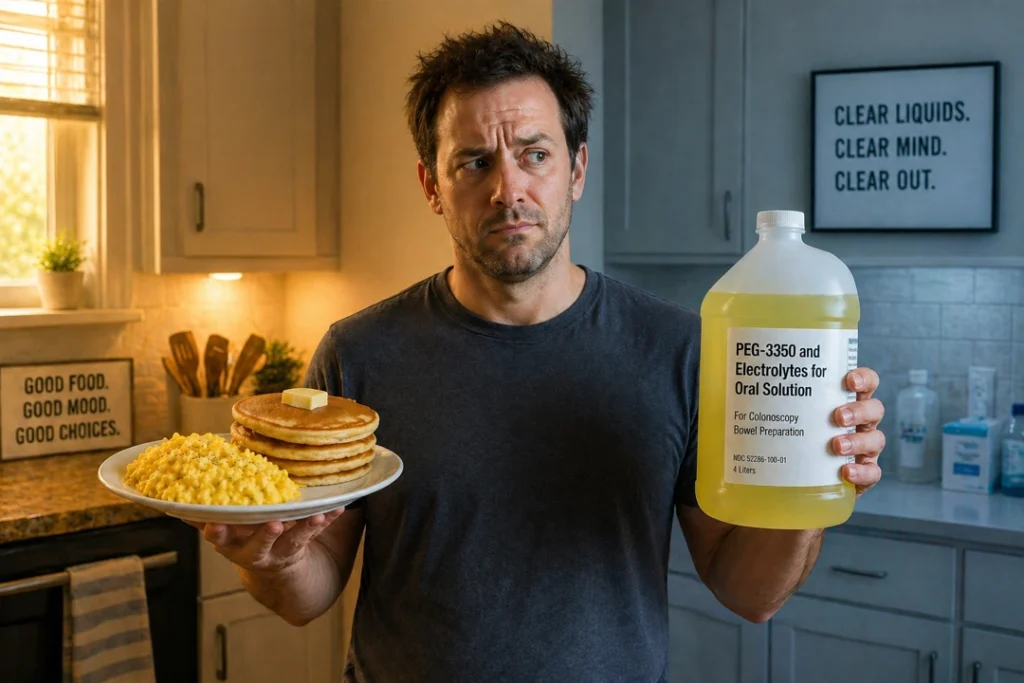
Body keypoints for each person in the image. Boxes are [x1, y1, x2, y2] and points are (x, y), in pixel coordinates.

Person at [196, 22, 885, 683]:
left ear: (577, 169)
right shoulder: (360, 354)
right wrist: (269, 558)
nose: (509, 190)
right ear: (431, 186)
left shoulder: (678, 350)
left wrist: (816, 475)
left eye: (535, 154)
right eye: (474, 162)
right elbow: (308, 592)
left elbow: (750, 593)